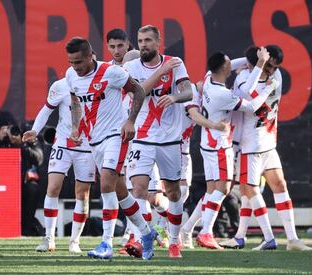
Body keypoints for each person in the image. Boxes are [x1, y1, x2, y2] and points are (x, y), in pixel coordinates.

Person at [66, 37, 158, 260]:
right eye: (71, 62)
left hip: (116, 136)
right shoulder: (71, 76)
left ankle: (106, 243)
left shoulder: (111, 72)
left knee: (106, 184)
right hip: (94, 140)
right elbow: (76, 101)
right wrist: (76, 127)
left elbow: (138, 91)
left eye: (78, 62)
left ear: (90, 56)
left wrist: (130, 121)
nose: (74, 67)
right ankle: (147, 233)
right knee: (120, 191)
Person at [221, 45, 312, 251]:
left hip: (268, 142)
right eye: (268, 65)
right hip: (249, 144)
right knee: (249, 191)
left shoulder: (274, 74)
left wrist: (260, 64)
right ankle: (268, 237)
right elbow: (247, 96)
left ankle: (292, 239)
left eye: (275, 66)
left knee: (278, 186)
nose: (273, 70)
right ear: (258, 63)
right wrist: (256, 64)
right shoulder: (244, 78)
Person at [195, 49, 277, 250]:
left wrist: (255, 60)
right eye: (228, 63)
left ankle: (189, 230)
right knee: (223, 188)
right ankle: (206, 231)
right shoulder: (222, 94)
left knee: (213, 190)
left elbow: (230, 63)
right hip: (220, 145)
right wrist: (267, 88)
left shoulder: (208, 78)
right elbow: (251, 107)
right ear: (224, 68)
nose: (231, 64)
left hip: (207, 144)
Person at [123, 25, 193, 258]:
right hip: (142, 138)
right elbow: (139, 92)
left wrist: (174, 96)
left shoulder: (175, 63)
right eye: (140, 40)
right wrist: (161, 72)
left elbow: (188, 92)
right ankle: (144, 236)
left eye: (148, 40)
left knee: (173, 193)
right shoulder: (131, 67)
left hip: (170, 140)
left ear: (158, 42)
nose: (143, 45)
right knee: (139, 189)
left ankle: (174, 241)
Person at [22, 77, 95, 253]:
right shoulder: (61, 85)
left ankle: (74, 242)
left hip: (87, 145)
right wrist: (35, 130)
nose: (78, 67)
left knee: (82, 194)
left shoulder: (100, 83)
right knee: (53, 187)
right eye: (74, 63)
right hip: (62, 142)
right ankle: (49, 239)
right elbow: (47, 110)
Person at [0, 123, 44, 236]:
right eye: (10, 131)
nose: (13, 134)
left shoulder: (28, 141)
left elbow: (39, 158)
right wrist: (1, 141)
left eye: (15, 131)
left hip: (23, 183)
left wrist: (21, 145)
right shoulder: (4, 143)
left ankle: (26, 230)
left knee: (32, 189)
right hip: (4, 184)